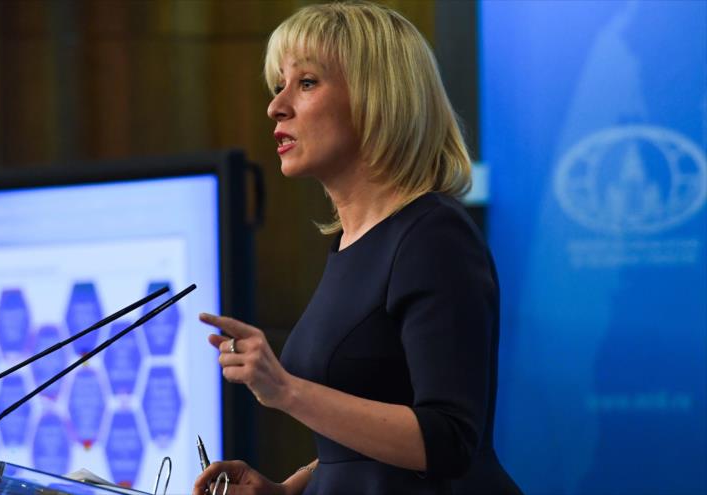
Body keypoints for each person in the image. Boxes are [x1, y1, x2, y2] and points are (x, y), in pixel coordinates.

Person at [193, 2, 521, 494]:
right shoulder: (351, 243)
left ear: (377, 98)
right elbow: (361, 439)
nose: (276, 105)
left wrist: (285, 389)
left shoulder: (433, 237)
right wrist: (289, 489)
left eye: (306, 83)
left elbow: (450, 439)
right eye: (278, 84)